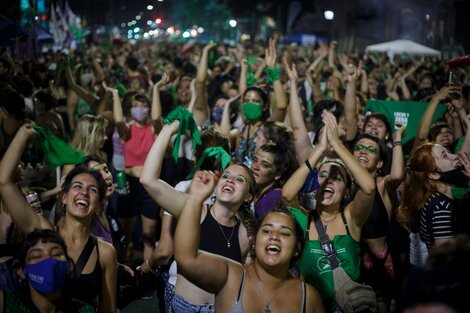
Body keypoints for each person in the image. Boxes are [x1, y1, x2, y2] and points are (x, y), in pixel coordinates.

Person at [0, 123, 117, 313]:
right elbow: (4, 182)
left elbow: (108, 309)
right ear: (64, 197)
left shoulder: (105, 253)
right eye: (77, 186)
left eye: (92, 189)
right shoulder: (44, 234)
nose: (84, 193)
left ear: (98, 205)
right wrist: (22, 135)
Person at [173, 170, 325, 313]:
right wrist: (194, 198)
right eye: (266, 230)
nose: (274, 236)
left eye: (285, 233)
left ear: (297, 248)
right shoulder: (231, 275)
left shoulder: (309, 298)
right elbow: (186, 259)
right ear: (254, 242)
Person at [282, 111, 376, 311]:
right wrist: (321, 149)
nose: (328, 180)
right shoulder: (305, 221)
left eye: (337, 178)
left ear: (347, 192)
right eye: (323, 176)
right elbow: (287, 195)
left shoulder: (351, 218)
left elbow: (368, 187)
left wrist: (338, 144)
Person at [397, 143, 470, 252]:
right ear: (433, 174)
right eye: (444, 155)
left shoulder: (432, 199)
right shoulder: (441, 207)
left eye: (448, 152)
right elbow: (446, 257)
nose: (455, 156)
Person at [0, 229, 94, 313]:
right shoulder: (6, 303)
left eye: (56, 254)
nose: (48, 260)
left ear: (69, 266)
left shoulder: (84, 310)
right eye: (36, 256)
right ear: (21, 271)